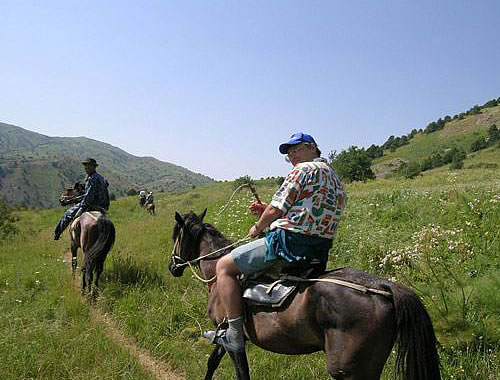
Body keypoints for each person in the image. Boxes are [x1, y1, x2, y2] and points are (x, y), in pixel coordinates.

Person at [204, 133, 347, 353]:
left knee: (224, 266)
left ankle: (233, 334)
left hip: (288, 243)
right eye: (288, 152)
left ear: (311, 147)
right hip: (319, 247)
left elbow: (276, 208)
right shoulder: (335, 177)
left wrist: (258, 226)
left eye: (295, 149)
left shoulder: (303, 170)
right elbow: (309, 210)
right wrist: (269, 213)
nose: (291, 154)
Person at [54, 158, 110, 240]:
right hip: (104, 206)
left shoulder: (92, 178)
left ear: (94, 167)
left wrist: (80, 206)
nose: (86, 169)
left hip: (93, 205)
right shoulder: (101, 178)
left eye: (88, 167)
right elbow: (89, 194)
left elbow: (88, 197)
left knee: (68, 214)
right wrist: (72, 200)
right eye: (85, 167)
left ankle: (57, 234)